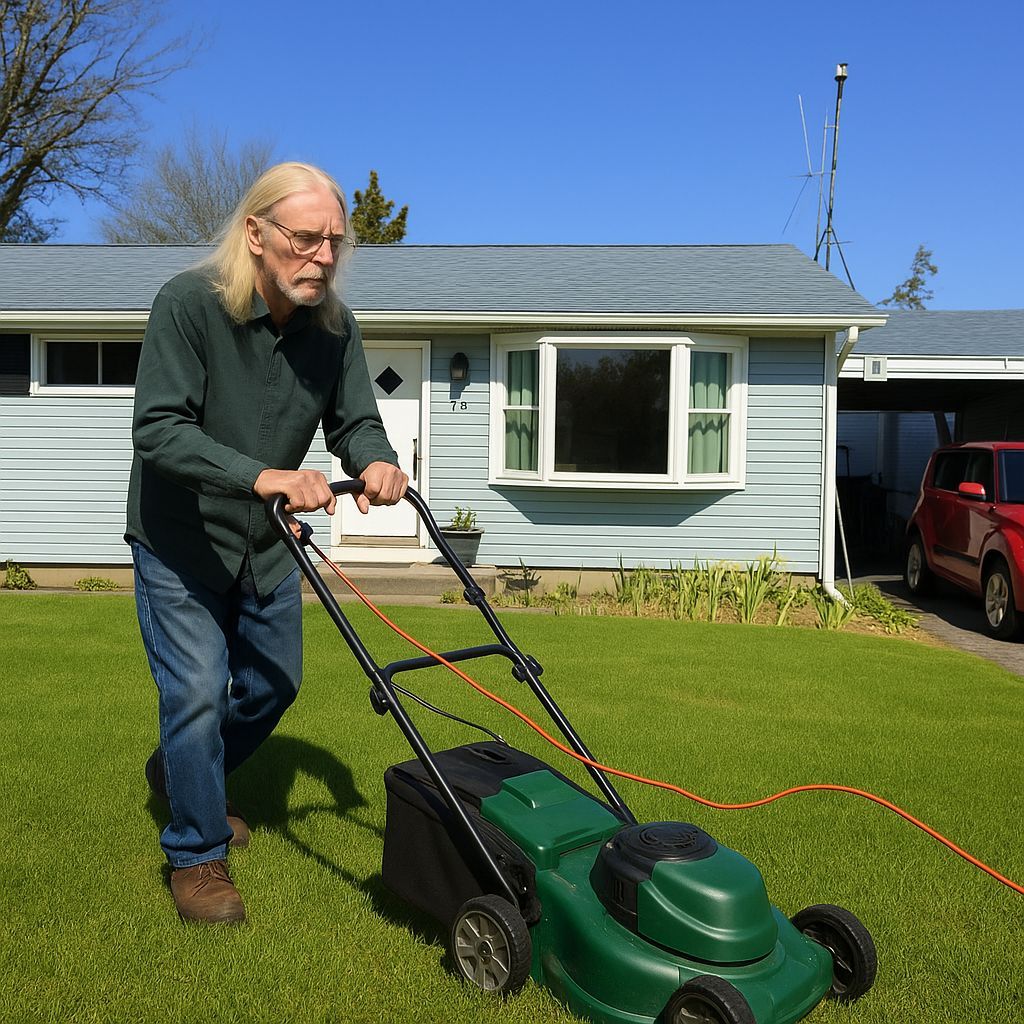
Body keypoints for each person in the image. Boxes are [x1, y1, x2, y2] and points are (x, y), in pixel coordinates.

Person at [126, 162, 408, 924]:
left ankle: (183, 775)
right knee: (193, 692)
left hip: (268, 544)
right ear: (256, 233)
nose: (323, 257)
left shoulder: (334, 328)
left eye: (335, 243)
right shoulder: (189, 305)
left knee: (273, 684)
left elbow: (354, 420)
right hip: (181, 538)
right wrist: (266, 477)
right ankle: (197, 851)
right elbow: (158, 430)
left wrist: (374, 459)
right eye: (307, 239)